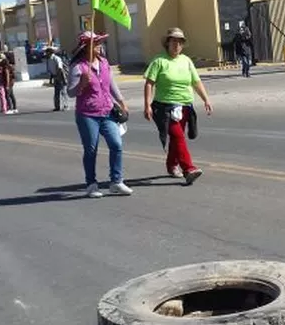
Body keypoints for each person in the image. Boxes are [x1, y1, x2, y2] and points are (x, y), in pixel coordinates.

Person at [143, 27, 213, 185]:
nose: (177, 45)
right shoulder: (159, 61)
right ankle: (189, 169)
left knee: (177, 137)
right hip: (164, 107)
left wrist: (206, 99)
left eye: (180, 42)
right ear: (167, 43)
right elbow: (149, 83)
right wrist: (147, 105)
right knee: (177, 136)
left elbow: (196, 82)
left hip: (185, 106)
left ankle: (171, 165)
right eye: (174, 41)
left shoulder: (186, 61)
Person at [67, 31, 132, 198]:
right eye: (95, 43)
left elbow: (111, 84)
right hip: (87, 114)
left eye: (99, 43)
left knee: (116, 144)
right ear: (85, 47)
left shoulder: (104, 63)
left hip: (107, 111)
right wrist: (81, 83)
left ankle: (116, 181)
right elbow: (71, 93)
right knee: (91, 149)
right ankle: (91, 184)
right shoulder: (78, 67)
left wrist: (121, 101)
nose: (99, 46)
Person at [45, 46, 69, 111]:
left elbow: (60, 68)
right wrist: (51, 79)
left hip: (60, 76)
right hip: (55, 76)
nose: (46, 54)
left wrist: (58, 77)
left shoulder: (56, 58)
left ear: (50, 52)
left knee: (63, 92)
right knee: (56, 92)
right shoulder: (48, 60)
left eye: (47, 53)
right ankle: (57, 106)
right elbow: (50, 70)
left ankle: (66, 106)